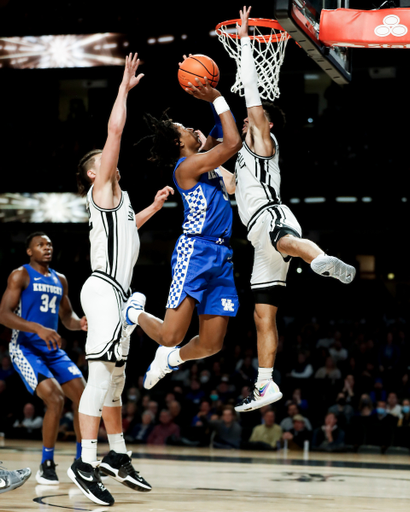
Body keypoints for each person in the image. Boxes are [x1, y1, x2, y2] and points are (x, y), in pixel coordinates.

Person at [226, 6, 356, 413]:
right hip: (255, 234)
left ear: (265, 126)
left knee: (287, 241)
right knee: (263, 315)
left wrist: (246, 42)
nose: (247, 121)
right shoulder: (242, 161)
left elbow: (250, 95)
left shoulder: (263, 143)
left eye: (253, 119)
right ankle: (265, 384)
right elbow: (229, 185)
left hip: (273, 216)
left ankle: (320, 259)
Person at [67, 53, 173, 506]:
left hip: (117, 290)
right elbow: (114, 132)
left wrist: (151, 206)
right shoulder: (102, 188)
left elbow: (128, 233)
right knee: (99, 377)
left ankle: (118, 455)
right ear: (94, 174)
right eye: (101, 162)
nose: (108, 162)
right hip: (104, 290)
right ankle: (85, 463)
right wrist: (123, 90)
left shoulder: (122, 203)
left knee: (115, 378)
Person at [125, 65, 242, 390]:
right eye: (183, 127)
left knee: (212, 344)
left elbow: (222, 128)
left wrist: (207, 90)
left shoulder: (203, 157)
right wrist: (215, 95)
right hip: (197, 250)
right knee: (170, 334)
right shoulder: (186, 167)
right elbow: (231, 142)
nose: (191, 127)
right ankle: (133, 312)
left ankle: (170, 360)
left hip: (223, 254)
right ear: (178, 143)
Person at [0, 232, 87, 485]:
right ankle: (46, 464)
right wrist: (37, 328)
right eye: (40, 245)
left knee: (85, 398)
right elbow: (4, 315)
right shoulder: (21, 274)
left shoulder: (60, 279)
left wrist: (80, 323)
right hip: (25, 349)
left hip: (52, 351)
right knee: (56, 398)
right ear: (30, 251)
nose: (46, 248)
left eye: (49, 244)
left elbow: (67, 317)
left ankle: (82, 462)